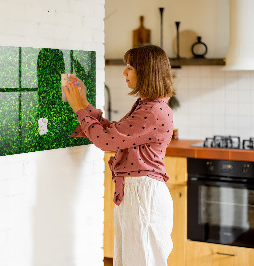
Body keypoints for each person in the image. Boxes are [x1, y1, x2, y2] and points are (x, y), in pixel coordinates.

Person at [63, 44, 175, 266]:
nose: (124, 72)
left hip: (143, 195)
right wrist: (84, 103)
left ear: (146, 71)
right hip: (138, 193)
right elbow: (114, 133)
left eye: (130, 67)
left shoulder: (152, 111)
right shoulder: (148, 106)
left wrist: (78, 108)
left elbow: (106, 141)